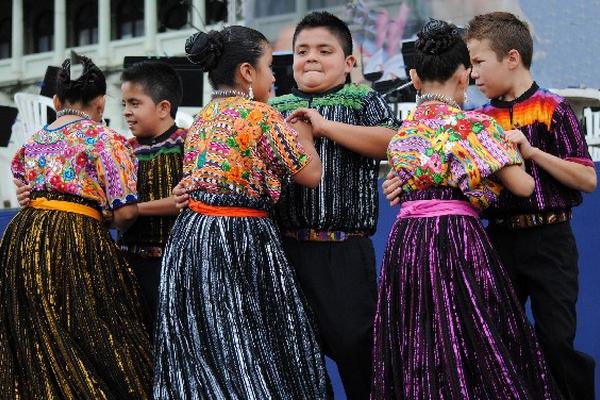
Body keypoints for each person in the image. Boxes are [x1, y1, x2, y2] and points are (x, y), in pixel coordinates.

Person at [372, 19, 561, 399]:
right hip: (457, 240)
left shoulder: (402, 134)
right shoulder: (474, 127)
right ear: (463, 75)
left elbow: (404, 185)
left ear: (414, 76)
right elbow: (523, 187)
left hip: (407, 243)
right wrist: (515, 155)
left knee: (419, 335)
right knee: (475, 334)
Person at [153, 26, 329, 399]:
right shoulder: (261, 117)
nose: (274, 76)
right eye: (268, 66)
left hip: (190, 240)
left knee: (210, 347)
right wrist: (306, 136)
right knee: (255, 342)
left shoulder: (200, 120)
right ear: (247, 72)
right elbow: (311, 175)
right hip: (240, 239)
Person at [0, 57, 152, 399]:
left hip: (23, 237)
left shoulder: (32, 142)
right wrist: (105, 216)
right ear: (100, 102)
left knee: (35, 330)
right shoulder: (107, 140)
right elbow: (126, 212)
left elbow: (22, 183)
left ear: (56, 102)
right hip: (75, 238)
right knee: (92, 328)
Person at [465, 12, 597, 400]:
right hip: (498, 241)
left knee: (556, 340)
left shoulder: (552, 108)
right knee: (500, 340)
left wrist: (533, 152)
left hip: (550, 238)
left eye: (478, 62)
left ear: (511, 58)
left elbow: (587, 179)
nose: (473, 75)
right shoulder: (479, 119)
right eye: (470, 65)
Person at [269, 12, 401, 399]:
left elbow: (393, 141)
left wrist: (324, 126)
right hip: (284, 250)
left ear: (348, 62)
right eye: (302, 51)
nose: (311, 58)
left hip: (343, 249)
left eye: (324, 50)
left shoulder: (363, 100)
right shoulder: (275, 108)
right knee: (293, 357)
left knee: (356, 349)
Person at [118, 61, 186, 334]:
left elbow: (187, 201)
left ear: (163, 107)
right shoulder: (123, 150)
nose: (127, 112)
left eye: (134, 103)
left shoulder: (188, 143)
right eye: (124, 104)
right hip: (128, 267)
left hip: (172, 268)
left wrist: (134, 210)